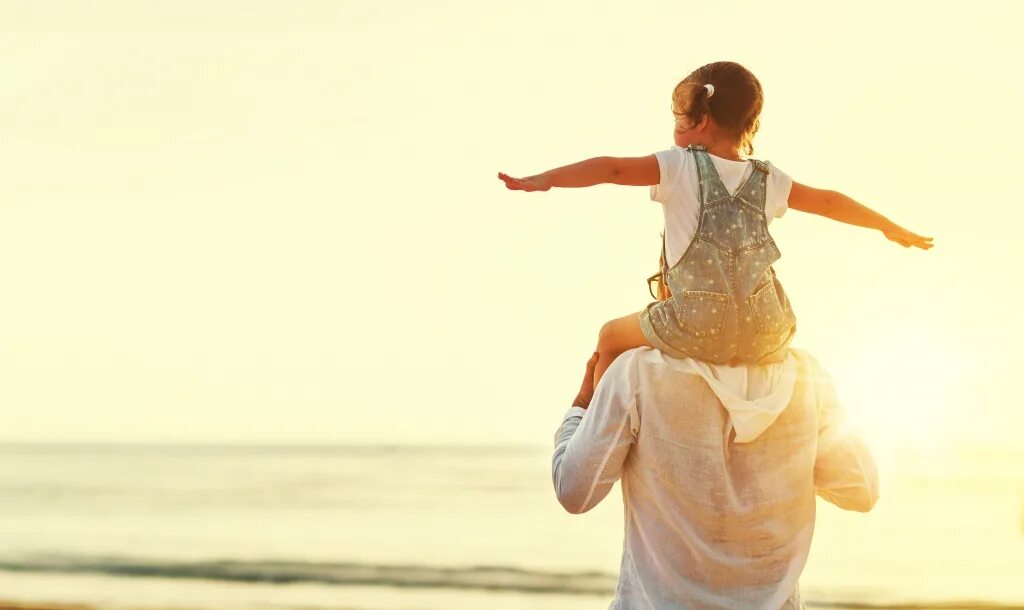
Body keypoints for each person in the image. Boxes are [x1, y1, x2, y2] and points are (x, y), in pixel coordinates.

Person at [499, 61, 933, 387]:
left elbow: (610, 169)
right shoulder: (769, 178)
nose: (674, 132)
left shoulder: (678, 166)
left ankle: (590, 428)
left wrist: (546, 180)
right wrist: (887, 226)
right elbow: (828, 202)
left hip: (696, 323)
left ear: (700, 120)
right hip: (767, 330)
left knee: (609, 335)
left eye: (677, 119)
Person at [551, 337, 879, 609]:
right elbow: (861, 488)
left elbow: (575, 491)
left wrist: (582, 406)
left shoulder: (637, 372)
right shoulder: (805, 378)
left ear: (674, 285)